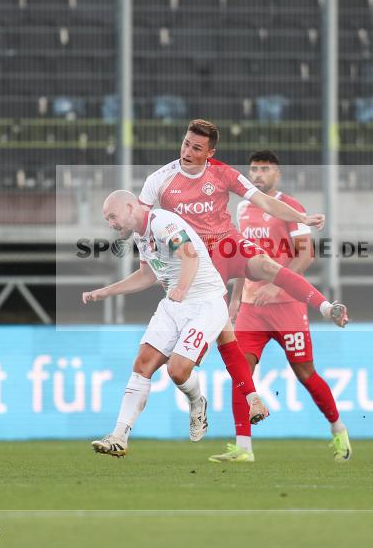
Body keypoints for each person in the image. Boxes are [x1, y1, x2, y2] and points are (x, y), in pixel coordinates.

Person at [137, 119, 350, 427]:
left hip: (228, 244)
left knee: (267, 266)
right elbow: (142, 221)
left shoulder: (223, 174)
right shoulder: (160, 180)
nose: (187, 151)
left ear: (211, 152)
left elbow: (265, 202)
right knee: (216, 339)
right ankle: (236, 401)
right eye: (186, 144)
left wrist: (301, 216)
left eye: (197, 148)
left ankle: (327, 307)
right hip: (198, 263)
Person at [82, 190, 269, 457]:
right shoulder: (141, 235)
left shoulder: (162, 222)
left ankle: (197, 402)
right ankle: (119, 436)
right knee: (142, 363)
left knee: (177, 371)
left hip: (204, 302)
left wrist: (181, 289)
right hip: (174, 305)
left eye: (112, 217)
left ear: (129, 207)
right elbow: (147, 275)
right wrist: (106, 291)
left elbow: (190, 256)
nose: (111, 224)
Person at [209, 151, 351, 464]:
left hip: (287, 306)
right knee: (241, 373)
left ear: (278, 174)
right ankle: (243, 447)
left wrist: (275, 286)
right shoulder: (243, 208)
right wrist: (234, 301)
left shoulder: (292, 208)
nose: (258, 174)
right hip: (251, 308)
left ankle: (338, 428)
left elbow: (305, 256)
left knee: (305, 373)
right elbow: (240, 260)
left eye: (265, 169)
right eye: (254, 169)